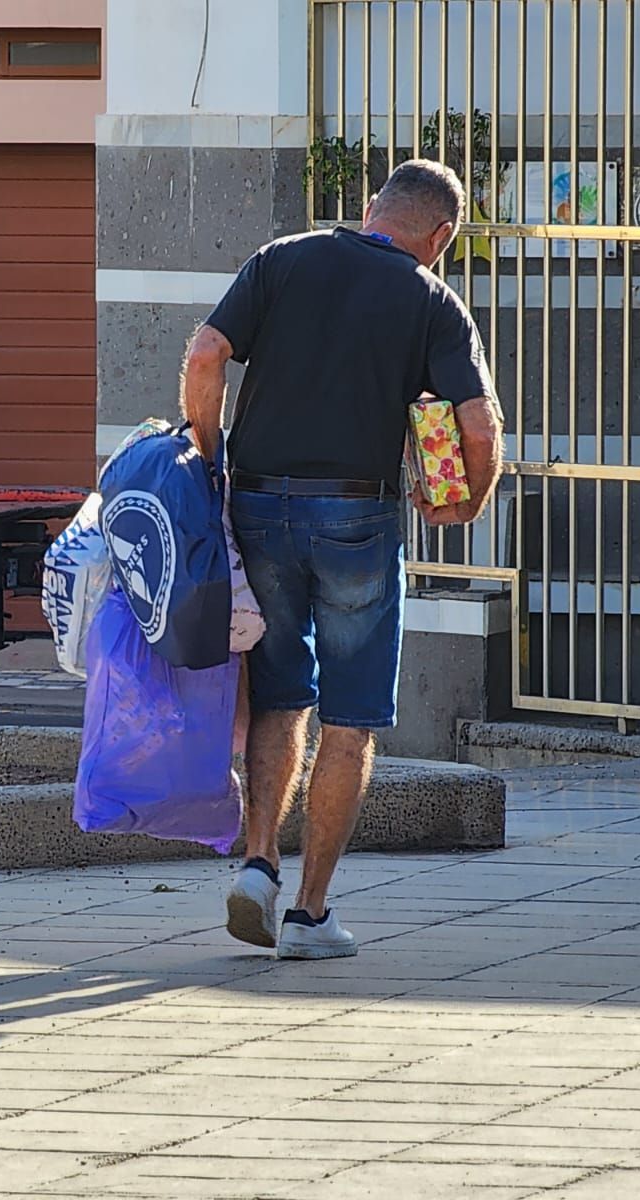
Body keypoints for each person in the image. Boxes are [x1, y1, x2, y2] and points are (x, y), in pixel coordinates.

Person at [179, 159, 504, 960]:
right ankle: (311, 915)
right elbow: (481, 425)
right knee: (350, 724)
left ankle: (257, 865)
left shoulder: (282, 257)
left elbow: (205, 354)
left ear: (369, 210)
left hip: (258, 507)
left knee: (281, 696)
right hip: (357, 515)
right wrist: (466, 501)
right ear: (442, 236)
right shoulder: (431, 300)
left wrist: (208, 452)